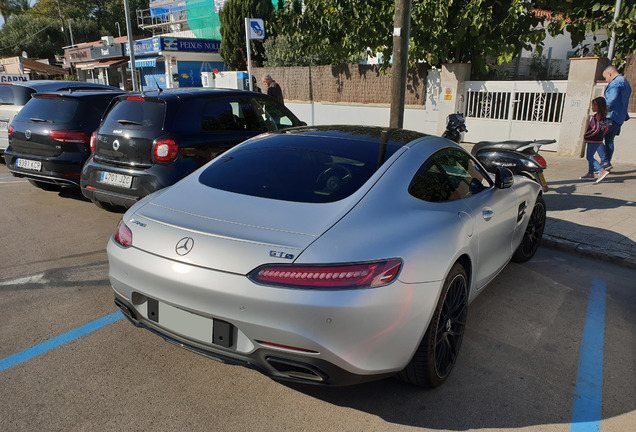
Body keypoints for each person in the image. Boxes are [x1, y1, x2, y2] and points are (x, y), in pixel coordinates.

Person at [601, 64, 632, 170]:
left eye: (606, 77)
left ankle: (605, 163)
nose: (606, 80)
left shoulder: (616, 83)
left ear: (610, 74)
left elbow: (611, 100)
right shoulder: (626, 83)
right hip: (619, 118)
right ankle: (606, 163)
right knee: (609, 140)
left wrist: (601, 108)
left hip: (610, 116)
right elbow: (623, 102)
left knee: (596, 138)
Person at [580, 97, 609, 182]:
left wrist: (587, 135)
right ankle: (590, 173)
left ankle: (601, 170)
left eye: (593, 105)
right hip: (598, 139)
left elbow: (595, 128)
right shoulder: (604, 116)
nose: (592, 107)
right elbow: (606, 128)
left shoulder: (597, 116)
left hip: (593, 139)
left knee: (589, 157)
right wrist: (601, 135)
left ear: (598, 106)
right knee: (591, 156)